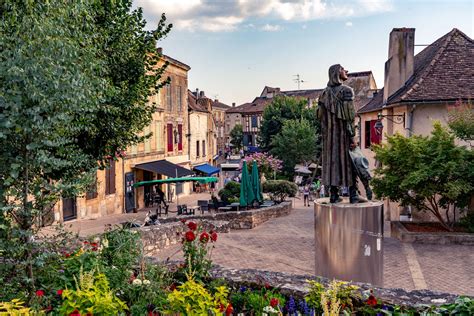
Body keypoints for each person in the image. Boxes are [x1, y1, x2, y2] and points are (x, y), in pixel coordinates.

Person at [317, 64, 359, 204]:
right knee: (351, 162)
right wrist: (353, 136)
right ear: (336, 73)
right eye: (342, 69)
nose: (346, 71)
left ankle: (333, 195)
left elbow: (320, 117)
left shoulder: (323, 94)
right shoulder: (347, 91)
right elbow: (349, 116)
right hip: (343, 136)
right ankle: (353, 194)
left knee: (332, 163)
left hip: (329, 137)